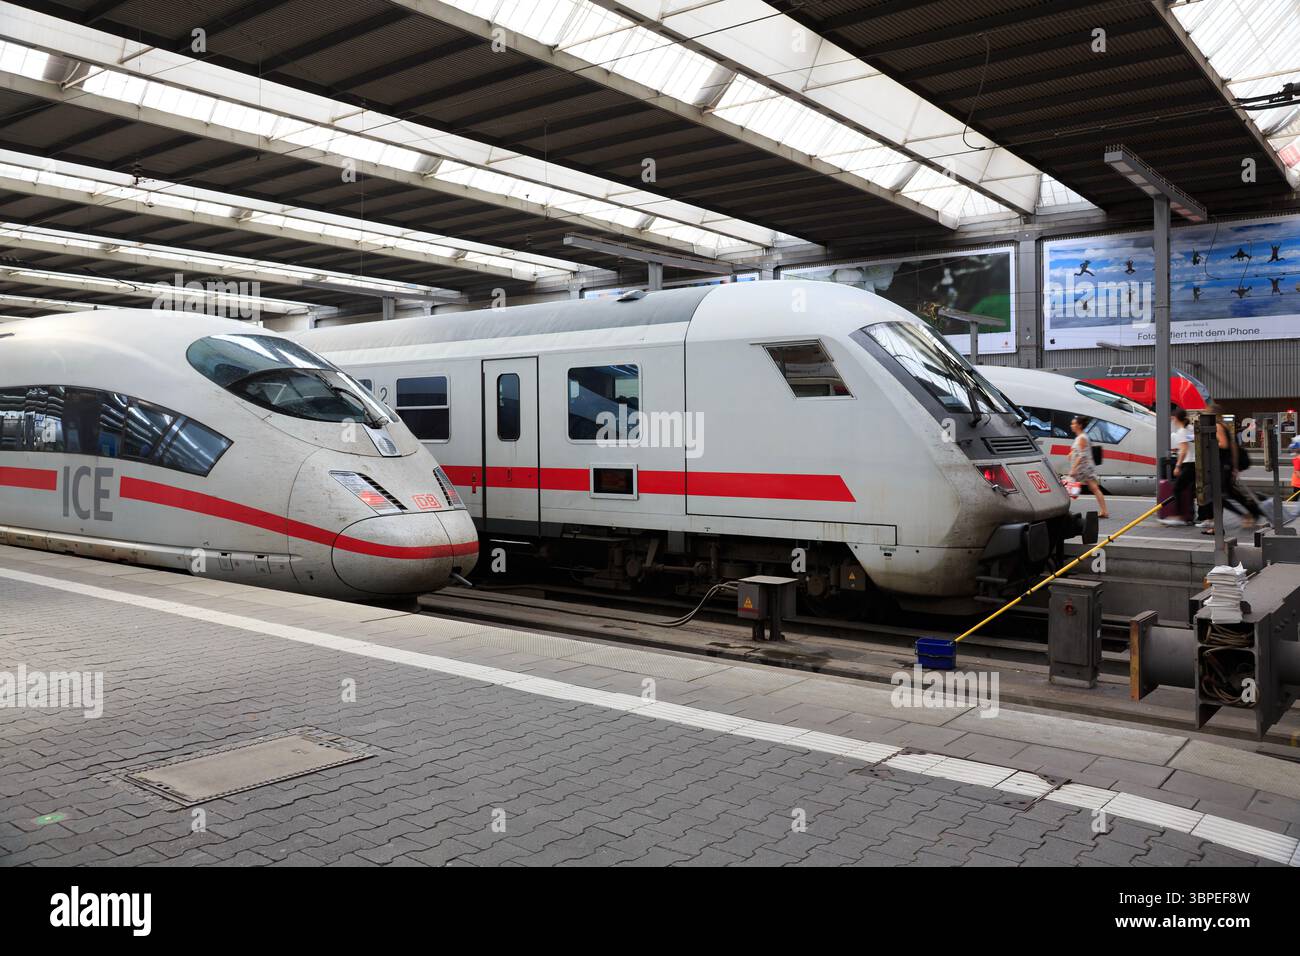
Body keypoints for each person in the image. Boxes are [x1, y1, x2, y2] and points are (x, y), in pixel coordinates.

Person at [1197, 404, 1267, 531]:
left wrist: (1208, 443)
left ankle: (1242, 516)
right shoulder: (1225, 426)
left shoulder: (1217, 426)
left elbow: (1223, 444)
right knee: (1232, 493)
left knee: (1218, 496)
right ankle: (1253, 512)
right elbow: (1233, 447)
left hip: (1222, 465)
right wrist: (1234, 466)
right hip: (1227, 465)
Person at [1160, 408, 1195, 526]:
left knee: (1177, 489)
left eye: (1173, 418)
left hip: (1188, 464)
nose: (1172, 421)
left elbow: (1184, 449)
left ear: (1176, 418)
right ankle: (1189, 515)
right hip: (1195, 463)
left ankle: (1179, 516)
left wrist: (1178, 466)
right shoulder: (1190, 428)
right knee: (1190, 490)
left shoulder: (1182, 431)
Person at [1068, 415, 1108, 519]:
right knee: (1093, 488)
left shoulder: (1082, 438)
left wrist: (1073, 469)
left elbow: (1081, 455)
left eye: (1073, 423)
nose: (1071, 425)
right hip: (1084, 468)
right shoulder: (1080, 437)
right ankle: (1104, 511)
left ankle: (1064, 510)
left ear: (1079, 425)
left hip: (1083, 468)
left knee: (1067, 487)